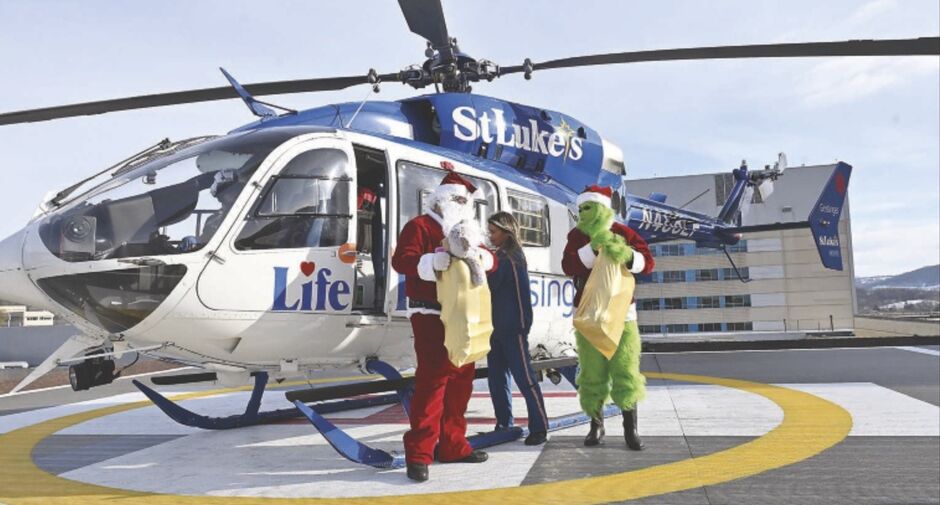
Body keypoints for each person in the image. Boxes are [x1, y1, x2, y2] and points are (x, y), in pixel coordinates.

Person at [391, 171, 497, 482]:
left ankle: (453, 445)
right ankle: (419, 453)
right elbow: (401, 261)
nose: (461, 204)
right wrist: (428, 262)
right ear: (439, 200)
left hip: (464, 313)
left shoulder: (468, 230)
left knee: (462, 382)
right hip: (429, 313)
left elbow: (492, 260)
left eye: (465, 201)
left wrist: (482, 258)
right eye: (456, 199)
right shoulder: (419, 226)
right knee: (433, 381)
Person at [561, 185, 654, 450]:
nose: (582, 213)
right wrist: (591, 249)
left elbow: (647, 263)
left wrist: (628, 255)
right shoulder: (576, 236)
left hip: (623, 313)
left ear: (602, 208)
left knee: (625, 369)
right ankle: (596, 424)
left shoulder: (624, 233)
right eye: (580, 208)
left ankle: (630, 428)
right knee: (592, 371)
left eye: (587, 207)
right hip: (589, 313)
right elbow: (567, 266)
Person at [485, 212, 549, 446]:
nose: (490, 236)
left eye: (493, 232)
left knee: (524, 377)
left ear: (506, 231)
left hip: (512, 327)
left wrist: (477, 263)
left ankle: (539, 427)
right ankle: (503, 423)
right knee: (496, 378)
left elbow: (494, 285)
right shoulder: (501, 256)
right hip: (496, 327)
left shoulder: (509, 257)